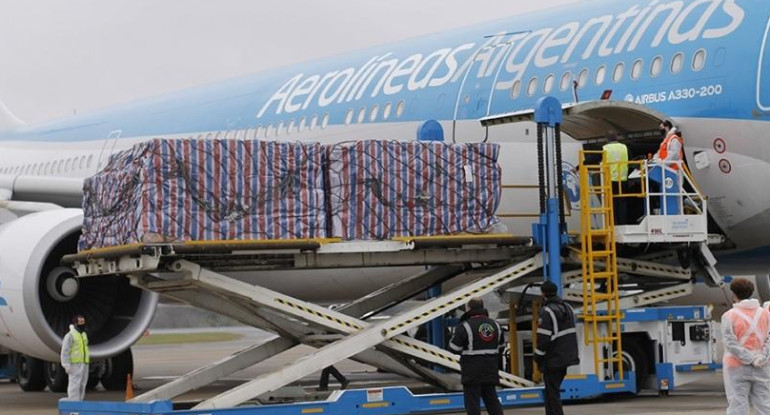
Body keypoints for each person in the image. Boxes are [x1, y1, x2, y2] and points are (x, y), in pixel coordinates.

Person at [721, 278, 770, 415]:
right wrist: (761, 357)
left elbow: (730, 342)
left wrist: (749, 358)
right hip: (762, 365)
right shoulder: (765, 314)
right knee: (765, 404)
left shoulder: (729, 315)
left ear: (734, 294)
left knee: (737, 405)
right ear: (751, 292)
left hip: (736, 367)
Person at [449, 297, 504, 415]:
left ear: (468, 309)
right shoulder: (496, 325)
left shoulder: (465, 326)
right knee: (492, 401)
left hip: (472, 372)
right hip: (490, 369)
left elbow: (454, 348)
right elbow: (501, 347)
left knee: (473, 404)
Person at [534, 281, 579, 415]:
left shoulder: (547, 311)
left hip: (553, 358)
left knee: (552, 394)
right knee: (552, 392)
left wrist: (538, 357)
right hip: (567, 356)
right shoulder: (568, 308)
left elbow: (543, 339)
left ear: (543, 293)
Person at [60, 315, 90, 401]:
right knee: (74, 385)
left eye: (83, 322)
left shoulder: (84, 334)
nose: (83, 324)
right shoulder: (70, 335)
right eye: (81, 322)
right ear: (75, 323)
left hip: (84, 363)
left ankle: (80, 402)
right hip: (74, 364)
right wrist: (66, 365)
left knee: (82, 384)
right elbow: (65, 351)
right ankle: (73, 403)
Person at [602, 134, 629, 225]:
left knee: (611, 203)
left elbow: (594, 158)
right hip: (623, 180)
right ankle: (622, 223)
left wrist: (579, 166)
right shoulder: (624, 147)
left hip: (611, 180)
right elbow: (631, 159)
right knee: (622, 203)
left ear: (607, 140)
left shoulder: (605, 148)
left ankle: (612, 224)